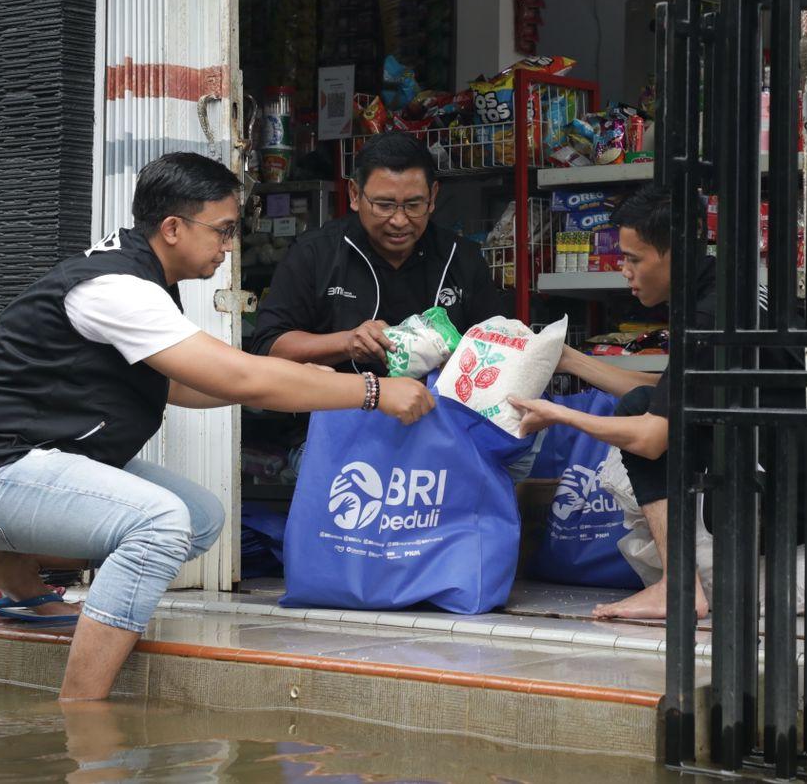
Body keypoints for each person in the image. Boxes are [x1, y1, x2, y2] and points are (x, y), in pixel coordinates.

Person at [0, 152, 435, 702]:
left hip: (29, 465)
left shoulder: (142, 278)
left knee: (199, 518)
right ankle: (83, 710)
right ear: (172, 228)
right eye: (223, 230)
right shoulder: (119, 289)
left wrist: (292, 377)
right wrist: (373, 392)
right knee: (161, 522)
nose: (229, 246)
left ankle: (4, 565)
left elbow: (184, 386)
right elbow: (239, 377)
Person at [508, 184, 724, 620]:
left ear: (675, 252)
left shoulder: (707, 317)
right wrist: (568, 358)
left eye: (633, 259)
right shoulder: (716, 289)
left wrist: (559, 414)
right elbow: (668, 390)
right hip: (768, 446)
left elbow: (651, 437)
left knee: (638, 414)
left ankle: (677, 585)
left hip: (778, 473)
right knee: (646, 399)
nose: (623, 269)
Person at [248, 131, 508, 374]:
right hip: (338, 414)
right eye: (384, 205)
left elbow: (500, 351)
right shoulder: (315, 254)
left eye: (413, 204)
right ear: (354, 194)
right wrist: (347, 342)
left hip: (436, 419)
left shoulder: (461, 258)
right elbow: (268, 347)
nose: (399, 220)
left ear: (433, 196)